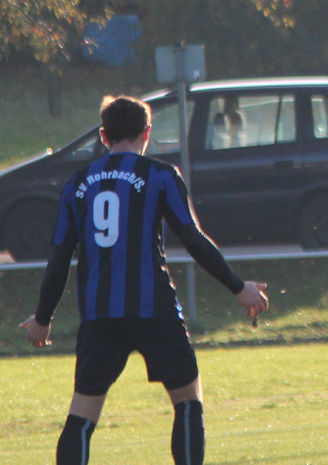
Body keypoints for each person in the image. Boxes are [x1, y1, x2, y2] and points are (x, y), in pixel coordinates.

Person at [20, 95, 269, 465]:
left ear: (104, 136)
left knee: (82, 416)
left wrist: (42, 318)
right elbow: (194, 240)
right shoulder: (160, 176)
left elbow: (59, 260)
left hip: (99, 315)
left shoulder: (78, 183)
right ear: (147, 133)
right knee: (187, 402)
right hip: (155, 309)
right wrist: (239, 287)